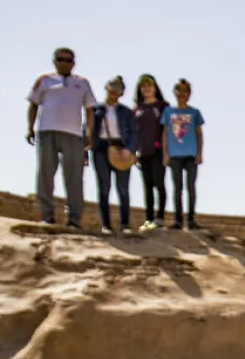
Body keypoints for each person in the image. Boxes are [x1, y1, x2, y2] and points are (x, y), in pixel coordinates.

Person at [26, 47, 96, 228]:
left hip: (73, 134)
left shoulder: (82, 83)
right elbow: (33, 104)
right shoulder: (44, 81)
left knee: (74, 176)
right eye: (60, 59)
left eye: (68, 60)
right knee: (45, 173)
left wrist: (89, 132)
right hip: (47, 131)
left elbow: (89, 110)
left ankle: (74, 219)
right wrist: (30, 127)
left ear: (73, 63)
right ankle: (47, 215)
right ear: (54, 61)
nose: (64, 63)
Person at [89, 76, 138, 235]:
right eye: (113, 87)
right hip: (101, 149)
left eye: (119, 89)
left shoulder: (127, 112)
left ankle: (125, 224)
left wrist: (129, 149)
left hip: (121, 149)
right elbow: (88, 130)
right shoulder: (96, 110)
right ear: (106, 87)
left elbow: (134, 134)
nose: (115, 91)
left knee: (123, 188)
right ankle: (106, 225)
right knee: (104, 187)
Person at [161, 78, 204, 230]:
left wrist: (200, 153)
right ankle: (178, 220)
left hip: (191, 154)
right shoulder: (168, 112)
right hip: (174, 155)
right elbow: (165, 133)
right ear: (174, 92)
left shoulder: (194, 112)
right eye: (179, 90)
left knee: (191, 186)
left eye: (185, 91)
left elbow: (199, 133)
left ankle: (191, 219)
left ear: (189, 94)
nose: (182, 94)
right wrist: (165, 153)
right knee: (177, 187)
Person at [133, 75, 169, 230]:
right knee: (147, 186)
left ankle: (160, 217)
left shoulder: (163, 106)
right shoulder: (137, 109)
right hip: (143, 151)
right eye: (143, 86)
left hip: (159, 151)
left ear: (155, 87)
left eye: (149, 85)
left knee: (159, 184)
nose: (147, 88)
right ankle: (148, 218)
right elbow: (134, 131)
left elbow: (167, 130)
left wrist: (167, 152)